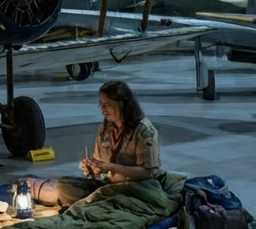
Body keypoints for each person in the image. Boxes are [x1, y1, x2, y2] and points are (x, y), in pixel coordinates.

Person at [31, 80, 162, 208]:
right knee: (64, 185)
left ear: (122, 104)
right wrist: (92, 169)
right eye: (102, 105)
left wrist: (112, 167)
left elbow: (147, 172)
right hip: (107, 185)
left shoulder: (143, 130)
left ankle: (99, 203)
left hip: (136, 187)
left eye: (108, 105)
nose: (103, 110)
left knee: (117, 202)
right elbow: (100, 166)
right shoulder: (106, 127)